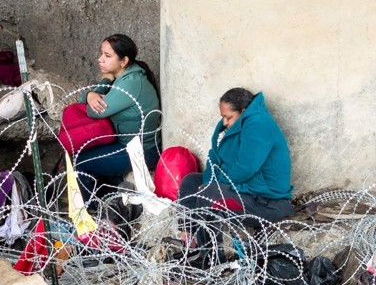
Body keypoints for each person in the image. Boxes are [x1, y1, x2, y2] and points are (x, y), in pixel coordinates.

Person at [178, 88, 294, 229]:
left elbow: (244, 169)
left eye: (229, 117)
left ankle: (211, 250)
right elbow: (214, 160)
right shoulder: (231, 128)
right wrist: (209, 182)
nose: (224, 122)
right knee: (191, 181)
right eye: (223, 117)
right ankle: (189, 237)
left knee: (208, 193)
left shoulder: (259, 124)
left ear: (243, 112)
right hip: (245, 191)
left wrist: (211, 186)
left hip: (267, 203)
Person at [74, 34, 162, 197]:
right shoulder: (127, 77)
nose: (101, 59)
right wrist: (89, 96)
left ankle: (92, 210)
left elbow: (94, 110)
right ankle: (111, 195)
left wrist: (93, 92)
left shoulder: (130, 83)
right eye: (101, 54)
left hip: (142, 151)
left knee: (79, 161)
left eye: (108, 56)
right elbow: (88, 101)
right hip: (131, 145)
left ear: (124, 61)